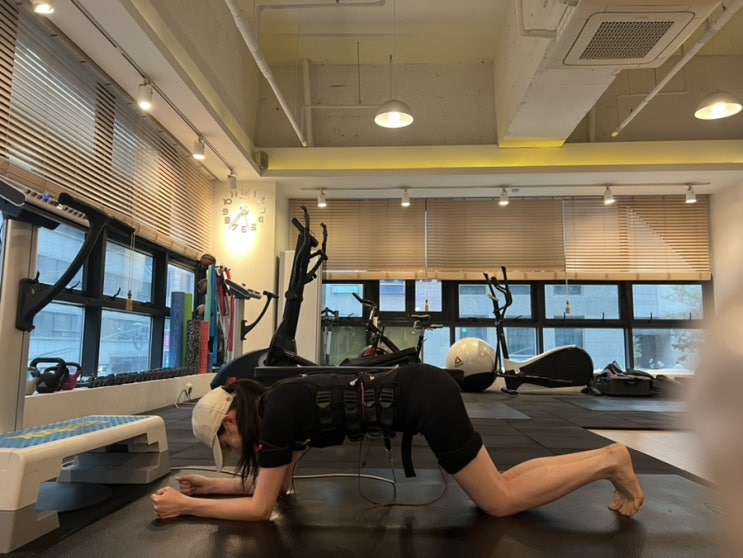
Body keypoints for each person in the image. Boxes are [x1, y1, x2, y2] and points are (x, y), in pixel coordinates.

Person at [151, 363, 644, 521]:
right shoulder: (277, 404)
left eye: (226, 445)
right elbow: (274, 489)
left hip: (424, 399)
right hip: (424, 387)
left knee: (498, 501)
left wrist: (185, 507)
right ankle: (606, 456)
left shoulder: (275, 416)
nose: (233, 453)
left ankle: (608, 463)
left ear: (230, 422)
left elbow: (261, 509)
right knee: (500, 484)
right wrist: (212, 486)